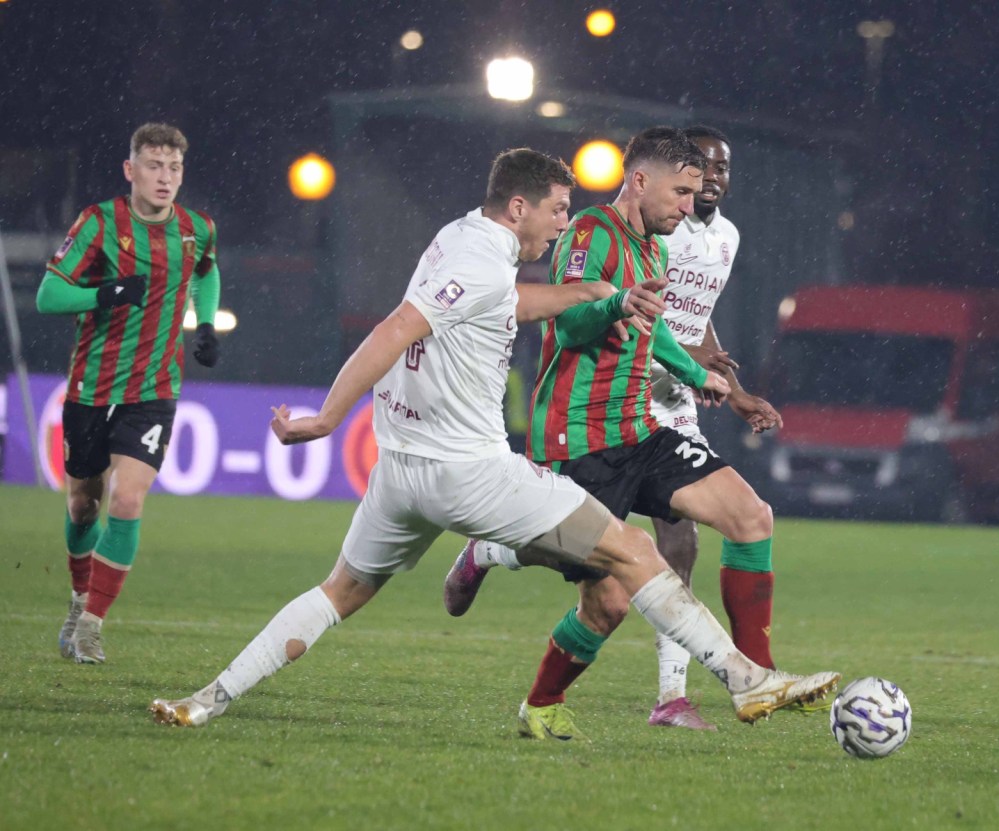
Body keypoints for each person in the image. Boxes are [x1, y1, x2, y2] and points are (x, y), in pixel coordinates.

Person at [149, 146, 838, 729]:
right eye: (557, 210)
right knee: (632, 551)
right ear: (519, 209)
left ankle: (207, 699)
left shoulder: (461, 239)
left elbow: (506, 301)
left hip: (401, 472)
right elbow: (396, 328)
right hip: (469, 470)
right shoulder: (481, 261)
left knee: (340, 592)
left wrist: (593, 295)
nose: (563, 223)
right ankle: (744, 678)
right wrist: (327, 418)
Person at [442, 127, 816, 741]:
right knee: (608, 603)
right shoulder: (591, 233)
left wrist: (702, 375)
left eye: (696, 195)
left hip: (640, 431)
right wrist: (616, 306)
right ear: (639, 180)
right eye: (680, 193)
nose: (689, 207)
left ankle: (759, 678)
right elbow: (569, 326)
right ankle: (532, 679)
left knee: (751, 518)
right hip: (577, 442)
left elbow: (654, 329)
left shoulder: (656, 251)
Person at [37, 123, 221, 664]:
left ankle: (92, 624)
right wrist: (108, 291)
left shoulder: (197, 228)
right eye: (154, 166)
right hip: (91, 387)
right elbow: (50, 294)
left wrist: (204, 323)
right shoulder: (98, 223)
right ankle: (78, 597)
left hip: (155, 388)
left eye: (174, 168)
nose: (165, 178)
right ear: (130, 170)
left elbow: (206, 272)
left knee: (128, 498)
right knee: (83, 503)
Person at [646, 125, 785, 730]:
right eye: (702, 167)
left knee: (679, 545)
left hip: (675, 402)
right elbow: (633, 317)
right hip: (622, 394)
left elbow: (695, 321)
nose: (713, 178)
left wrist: (736, 392)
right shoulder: (658, 230)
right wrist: (686, 362)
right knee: (579, 545)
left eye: (723, 167)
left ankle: (672, 697)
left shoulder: (726, 236)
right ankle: (493, 546)